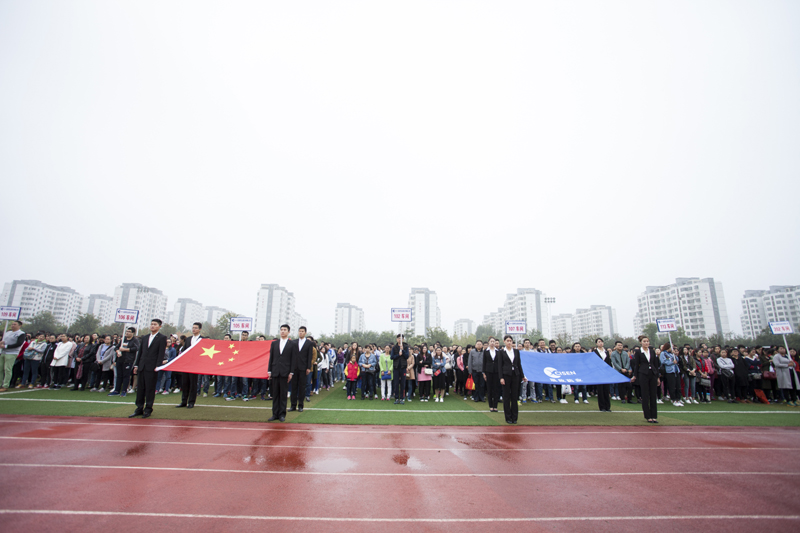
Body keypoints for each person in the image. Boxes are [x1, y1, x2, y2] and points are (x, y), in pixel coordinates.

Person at [129, 319, 168, 419]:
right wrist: (136, 365)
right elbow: (140, 352)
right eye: (151, 324)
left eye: (155, 324)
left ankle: (148, 409)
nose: (152, 326)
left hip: (152, 367)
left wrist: (158, 365)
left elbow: (161, 353)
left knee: (149, 389)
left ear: (159, 326)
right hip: (142, 366)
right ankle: (139, 408)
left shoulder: (162, 338)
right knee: (140, 389)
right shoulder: (145, 337)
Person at [268, 324, 298, 421]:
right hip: (275, 371)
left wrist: (291, 372)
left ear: (288, 332)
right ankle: (275, 414)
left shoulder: (292, 344)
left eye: (285, 330)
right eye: (281, 329)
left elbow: (293, 359)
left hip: (285, 372)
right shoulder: (274, 343)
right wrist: (269, 370)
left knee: (283, 394)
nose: (283, 331)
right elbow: (271, 358)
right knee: (275, 394)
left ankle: (282, 414)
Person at [630, 336, 661, 423]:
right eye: (644, 341)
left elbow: (655, 364)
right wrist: (635, 376)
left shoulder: (652, 351)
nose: (646, 343)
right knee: (645, 395)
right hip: (643, 374)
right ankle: (648, 416)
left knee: (653, 395)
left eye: (647, 341)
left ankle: (654, 416)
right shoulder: (638, 352)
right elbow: (636, 365)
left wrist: (657, 377)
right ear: (641, 342)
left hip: (653, 374)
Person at [176, 322, 205, 409]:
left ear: (200, 329)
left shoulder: (202, 339)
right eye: (193, 327)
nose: (194, 329)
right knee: (185, 383)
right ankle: (184, 401)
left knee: (193, 384)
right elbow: (184, 351)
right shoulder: (188, 339)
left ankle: (191, 402)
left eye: (196, 328)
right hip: (186, 365)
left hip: (195, 365)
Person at [498, 335, 525, 424]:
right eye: (507, 340)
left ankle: (514, 417)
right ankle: (508, 417)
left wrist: (522, 375)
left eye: (510, 341)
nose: (509, 342)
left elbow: (519, 364)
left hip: (515, 375)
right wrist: (501, 377)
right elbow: (499, 366)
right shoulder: (501, 352)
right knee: (506, 397)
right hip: (506, 375)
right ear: (504, 341)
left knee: (514, 396)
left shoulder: (516, 351)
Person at [289, 326, 314, 412]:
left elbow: (309, 356)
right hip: (294, 368)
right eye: (299, 331)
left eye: (302, 331)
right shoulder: (293, 342)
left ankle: (300, 405)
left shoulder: (309, 343)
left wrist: (308, 367)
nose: (300, 333)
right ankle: (293, 405)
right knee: (293, 387)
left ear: (305, 333)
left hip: (303, 368)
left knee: (302, 387)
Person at [110, 327, 139, 397]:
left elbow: (136, 348)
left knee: (126, 376)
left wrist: (125, 349)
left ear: (133, 333)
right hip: (120, 360)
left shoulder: (135, 340)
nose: (127, 333)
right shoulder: (123, 340)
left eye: (129, 331)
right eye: (127, 331)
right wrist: (118, 351)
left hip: (128, 360)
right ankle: (116, 390)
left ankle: (124, 390)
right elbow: (116, 347)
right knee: (119, 375)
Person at [0, 320, 26, 391]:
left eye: (15, 324)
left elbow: (19, 343)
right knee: (0, 368)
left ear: (19, 325)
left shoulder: (21, 333)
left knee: (7, 369)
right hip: (3, 352)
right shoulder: (8, 333)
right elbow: (4, 340)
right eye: (12, 324)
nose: (13, 325)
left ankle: (5, 385)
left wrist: (5, 346)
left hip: (12, 353)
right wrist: (2, 343)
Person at [593, 338, 612, 412]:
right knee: (600, 390)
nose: (600, 343)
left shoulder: (606, 352)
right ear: (596, 344)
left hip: (606, 372)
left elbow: (609, 362)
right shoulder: (594, 352)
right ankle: (602, 406)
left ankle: (607, 406)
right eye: (599, 342)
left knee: (606, 389)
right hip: (598, 373)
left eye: (601, 342)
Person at [483, 337, 500, 412]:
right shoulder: (485, 351)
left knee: (496, 389)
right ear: (489, 342)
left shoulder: (498, 351)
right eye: (491, 341)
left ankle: (495, 406)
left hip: (496, 372)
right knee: (489, 389)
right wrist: (484, 373)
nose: (492, 343)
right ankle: (491, 406)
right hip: (488, 371)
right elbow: (484, 362)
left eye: (494, 341)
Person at [390, 335, 408, 405]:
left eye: (401, 338)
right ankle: (397, 398)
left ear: (403, 339)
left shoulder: (405, 347)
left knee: (403, 383)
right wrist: (398, 355)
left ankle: (402, 398)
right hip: (396, 367)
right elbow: (392, 357)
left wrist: (403, 350)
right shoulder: (394, 347)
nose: (400, 340)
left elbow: (406, 356)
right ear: (396, 339)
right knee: (396, 383)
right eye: (398, 338)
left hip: (403, 367)